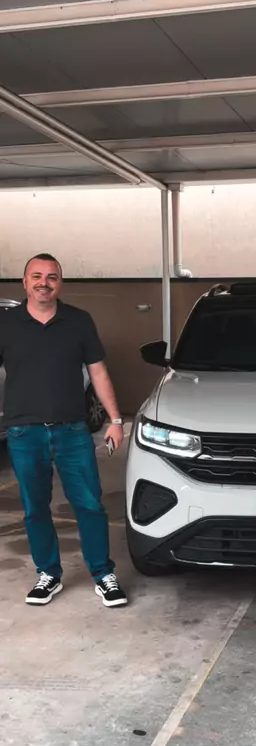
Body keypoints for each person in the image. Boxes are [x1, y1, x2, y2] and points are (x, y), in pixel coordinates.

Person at [0, 253, 127, 607]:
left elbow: (98, 372)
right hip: (24, 433)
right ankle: (48, 574)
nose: (44, 282)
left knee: (89, 504)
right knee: (35, 508)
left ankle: (103, 574)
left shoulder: (79, 321)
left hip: (72, 431)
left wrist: (116, 420)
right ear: (25, 282)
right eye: (37, 276)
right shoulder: (6, 323)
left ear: (60, 283)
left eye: (51, 276)